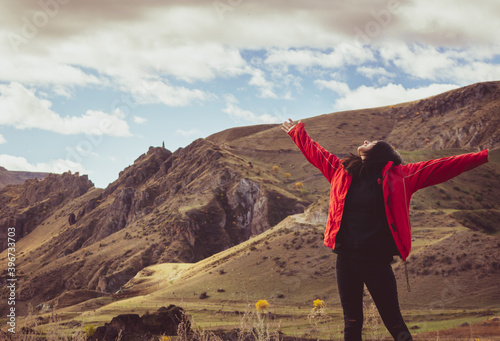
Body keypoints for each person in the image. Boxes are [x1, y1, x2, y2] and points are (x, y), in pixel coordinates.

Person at [281, 118, 489, 341]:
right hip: (346, 260)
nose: (365, 140)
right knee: (352, 322)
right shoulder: (341, 170)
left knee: (393, 320)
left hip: (377, 263)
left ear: (381, 152)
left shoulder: (402, 176)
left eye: (371, 142)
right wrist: (297, 133)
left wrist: (483, 156)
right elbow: (316, 153)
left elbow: (443, 166)